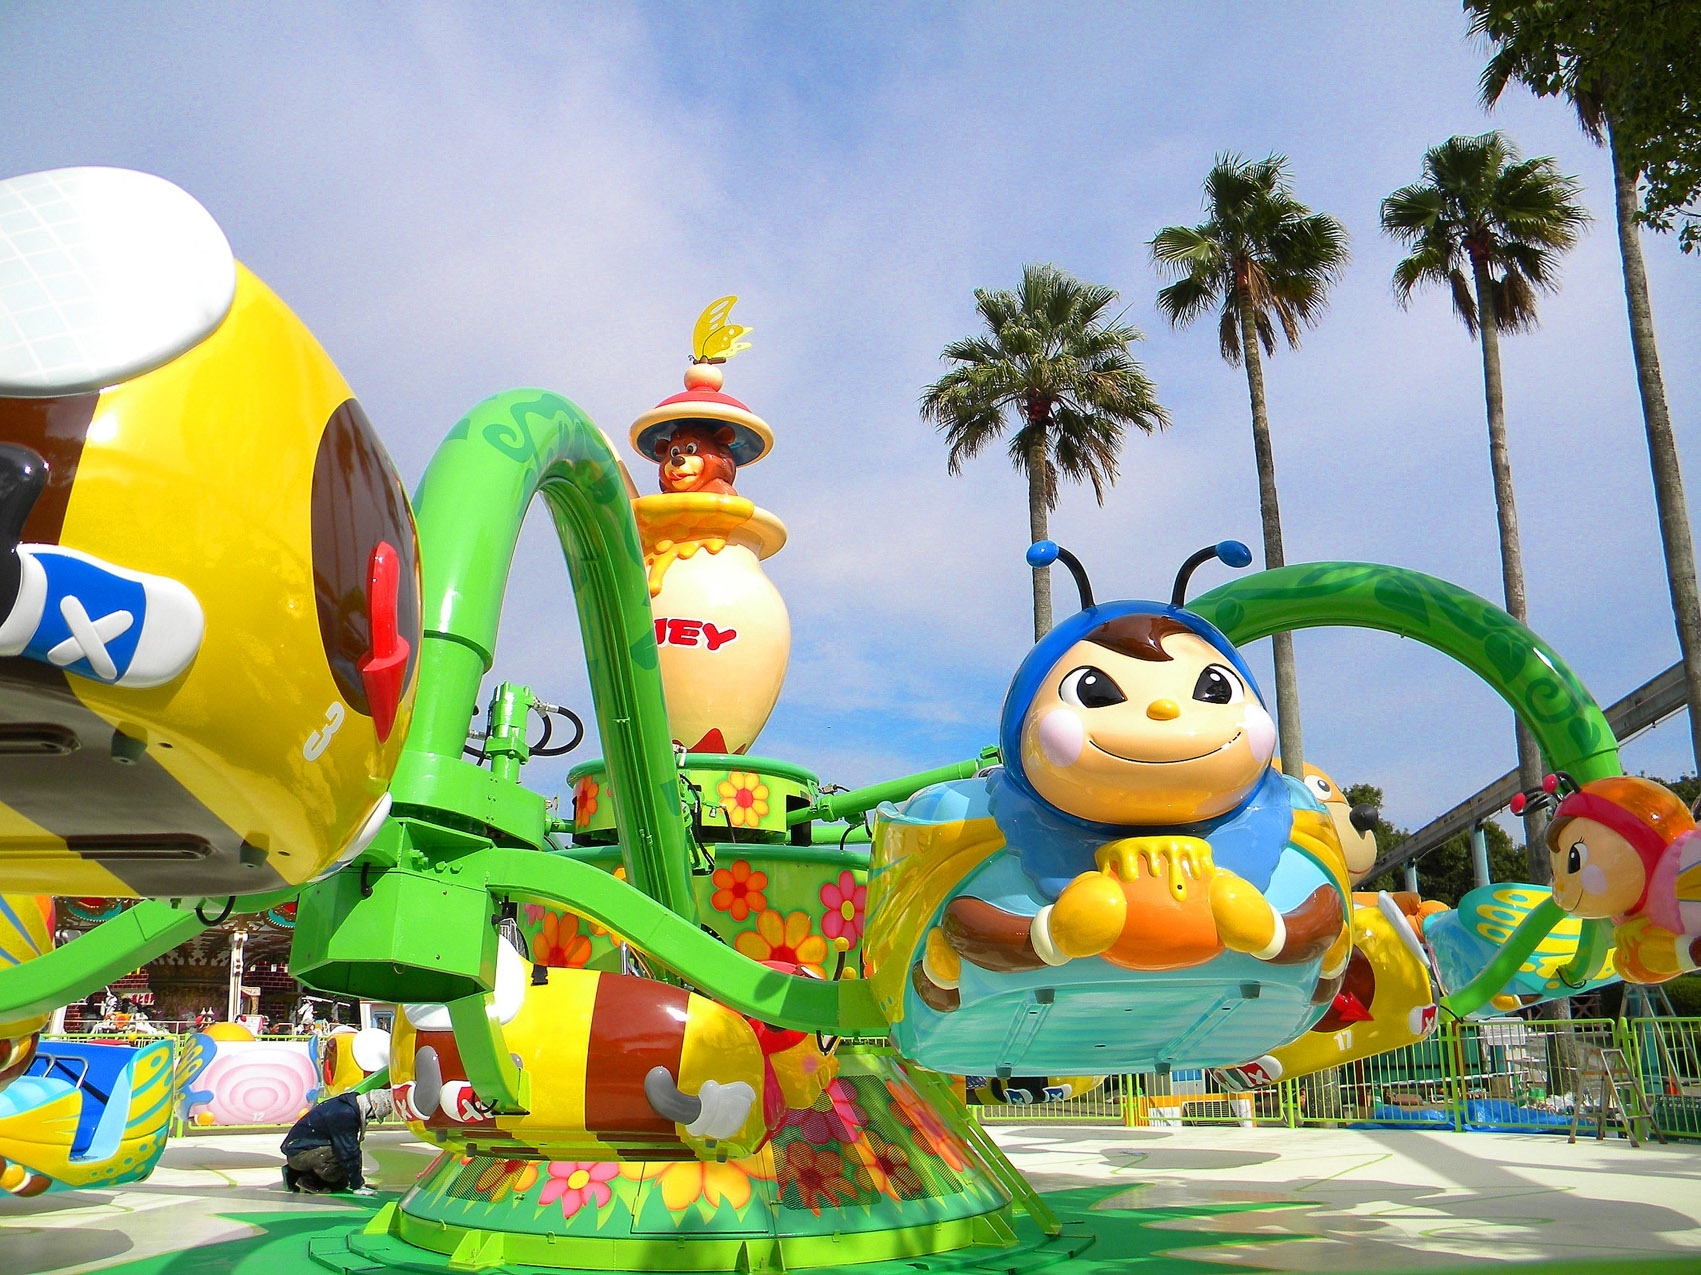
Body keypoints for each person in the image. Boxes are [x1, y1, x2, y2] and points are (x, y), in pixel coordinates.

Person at [279, 1087, 392, 1195]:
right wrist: (357, 1185)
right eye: (372, 1116)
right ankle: (310, 1180)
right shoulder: (346, 1114)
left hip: (301, 1152)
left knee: (340, 1183)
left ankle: (294, 1173)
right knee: (342, 1154)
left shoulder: (348, 1106)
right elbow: (348, 1151)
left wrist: (357, 1181)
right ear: (374, 1105)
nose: (370, 1119)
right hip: (300, 1154)